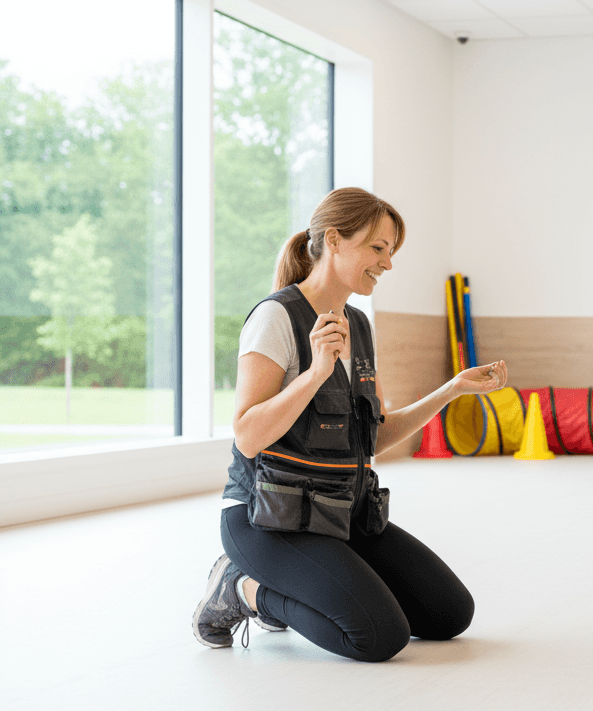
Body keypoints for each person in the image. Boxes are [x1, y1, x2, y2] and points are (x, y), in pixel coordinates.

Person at [191, 187, 508, 662]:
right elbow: (248, 435)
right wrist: (317, 372)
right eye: (378, 248)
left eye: (391, 251)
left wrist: (452, 389)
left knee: (449, 614)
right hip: (268, 520)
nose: (388, 262)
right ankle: (241, 589)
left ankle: (322, 579)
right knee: (378, 636)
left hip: (343, 513)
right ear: (335, 241)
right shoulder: (277, 317)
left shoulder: (358, 324)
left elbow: (373, 437)